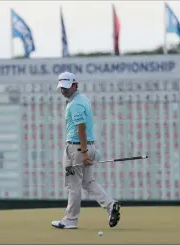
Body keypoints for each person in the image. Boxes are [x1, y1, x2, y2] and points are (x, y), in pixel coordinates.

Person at [51, 72, 121, 229]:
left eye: (67, 87)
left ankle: (70, 219)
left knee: (73, 185)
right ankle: (111, 205)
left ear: (75, 85)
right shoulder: (82, 99)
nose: (63, 90)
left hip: (77, 148)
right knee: (88, 182)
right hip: (87, 146)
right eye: (61, 87)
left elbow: (81, 128)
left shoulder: (75, 104)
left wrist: (83, 153)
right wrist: (87, 150)